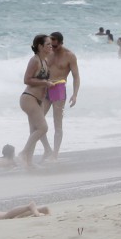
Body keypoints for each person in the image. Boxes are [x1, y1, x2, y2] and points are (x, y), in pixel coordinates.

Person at [20, 34, 55, 168]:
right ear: (40, 46)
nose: (51, 46)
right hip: (29, 98)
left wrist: (50, 83)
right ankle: (23, 153)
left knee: (34, 131)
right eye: (48, 44)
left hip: (38, 100)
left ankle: (29, 163)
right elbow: (26, 79)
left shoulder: (44, 61)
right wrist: (45, 83)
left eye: (51, 44)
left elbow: (42, 80)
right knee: (43, 128)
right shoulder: (34, 60)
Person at [46, 31, 80, 159]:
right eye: (51, 45)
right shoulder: (47, 52)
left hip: (59, 88)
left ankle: (55, 154)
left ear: (61, 43)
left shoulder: (69, 56)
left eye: (55, 46)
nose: (53, 48)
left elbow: (76, 77)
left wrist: (75, 94)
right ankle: (47, 149)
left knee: (57, 123)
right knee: (38, 122)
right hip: (45, 87)